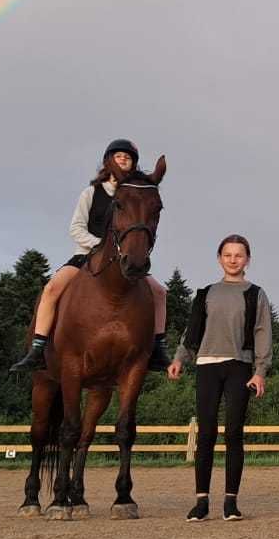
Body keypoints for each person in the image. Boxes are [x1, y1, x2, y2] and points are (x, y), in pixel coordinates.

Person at [11, 139, 169, 373]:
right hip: (86, 256)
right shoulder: (91, 192)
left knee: (159, 292)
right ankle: (37, 348)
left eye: (128, 156)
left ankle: (158, 348)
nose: (123, 158)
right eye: (118, 155)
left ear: (134, 163)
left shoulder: (136, 194)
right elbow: (76, 228)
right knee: (52, 289)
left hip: (124, 259)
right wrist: (100, 245)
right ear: (108, 161)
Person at [168, 235, 272, 522]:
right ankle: (201, 502)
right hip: (207, 365)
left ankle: (231, 502)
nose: (233, 259)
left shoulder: (255, 294)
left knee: (234, 433)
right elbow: (192, 333)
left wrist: (260, 372)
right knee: (207, 433)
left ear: (247, 259)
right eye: (228, 255)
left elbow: (263, 333)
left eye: (239, 255)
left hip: (240, 366)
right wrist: (179, 358)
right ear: (219, 258)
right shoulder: (205, 294)